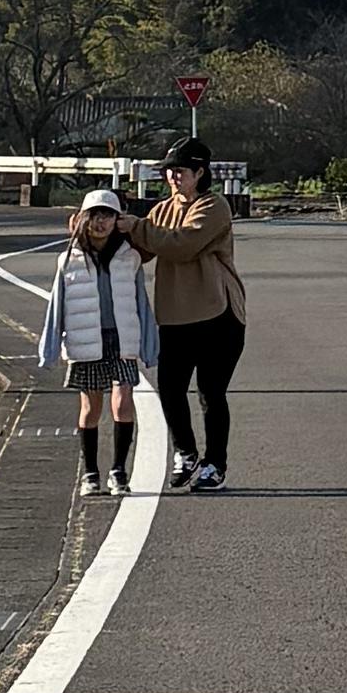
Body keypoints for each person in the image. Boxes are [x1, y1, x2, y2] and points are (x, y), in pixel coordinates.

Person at [139, 132, 247, 487]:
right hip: (174, 317)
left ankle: (215, 464)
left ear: (200, 173)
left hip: (219, 314)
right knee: (170, 389)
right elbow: (140, 250)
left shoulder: (213, 207)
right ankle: (185, 453)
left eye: (180, 170)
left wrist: (136, 228)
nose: (173, 177)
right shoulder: (161, 210)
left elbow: (182, 245)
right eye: (169, 171)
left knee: (210, 392)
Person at [37, 192, 156, 488]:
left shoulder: (129, 258)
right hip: (86, 339)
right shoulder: (68, 260)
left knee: (123, 401)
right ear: (83, 220)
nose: (101, 222)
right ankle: (90, 473)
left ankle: (118, 470)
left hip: (121, 339)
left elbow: (142, 303)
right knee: (91, 407)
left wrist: (150, 346)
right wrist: (49, 350)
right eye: (95, 215)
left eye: (108, 215)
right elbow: (57, 305)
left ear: (118, 220)